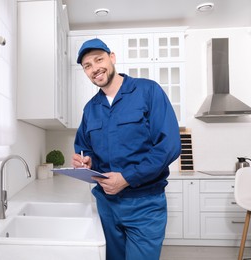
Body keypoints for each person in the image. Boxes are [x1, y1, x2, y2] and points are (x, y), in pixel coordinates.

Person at [71, 38, 181, 260]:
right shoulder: (90, 109)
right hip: (106, 205)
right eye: (87, 66)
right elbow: (84, 147)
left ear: (112, 58)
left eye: (98, 60)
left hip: (145, 204)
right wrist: (85, 160)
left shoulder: (148, 91)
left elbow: (169, 146)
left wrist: (127, 178)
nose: (94, 69)